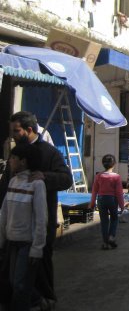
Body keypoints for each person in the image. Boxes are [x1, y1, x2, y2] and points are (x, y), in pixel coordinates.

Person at [0, 111, 73, 306]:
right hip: (14, 224)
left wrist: (45, 176)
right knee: (11, 271)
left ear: (29, 130)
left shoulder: (49, 152)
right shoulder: (16, 154)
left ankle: (45, 299)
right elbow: (6, 185)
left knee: (40, 263)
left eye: (16, 131)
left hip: (40, 221)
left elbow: (66, 179)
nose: (13, 136)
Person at [0, 144, 47, 310]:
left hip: (28, 243)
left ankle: (33, 303)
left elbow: (41, 219)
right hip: (12, 241)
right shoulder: (13, 181)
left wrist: (37, 248)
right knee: (14, 282)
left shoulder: (37, 185)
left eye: (13, 158)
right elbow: (4, 213)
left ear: (23, 161)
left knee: (20, 284)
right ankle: (37, 300)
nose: (10, 161)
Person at [89, 154, 124, 250]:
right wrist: (122, 205)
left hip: (101, 200)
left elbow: (94, 191)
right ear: (114, 164)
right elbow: (119, 192)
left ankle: (105, 243)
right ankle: (111, 236)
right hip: (112, 200)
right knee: (114, 218)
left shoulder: (98, 176)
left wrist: (92, 203)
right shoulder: (117, 177)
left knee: (104, 221)